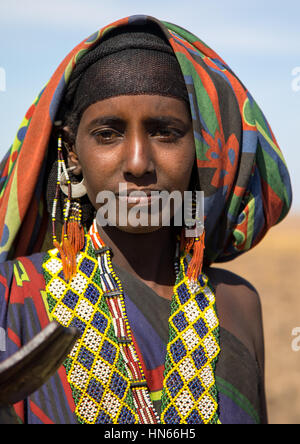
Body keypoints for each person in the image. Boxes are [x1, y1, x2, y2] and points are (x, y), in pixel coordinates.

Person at [0, 15, 292, 425]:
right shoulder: (12, 298)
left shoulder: (237, 305)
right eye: (108, 133)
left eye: (164, 132)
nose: (138, 162)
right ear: (71, 154)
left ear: (201, 152)